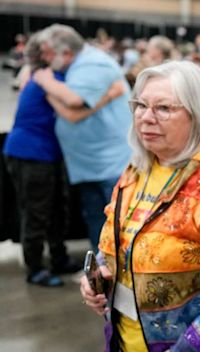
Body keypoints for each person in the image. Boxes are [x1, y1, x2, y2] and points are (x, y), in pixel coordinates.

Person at [79, 61, 200, 352]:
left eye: (163, 108)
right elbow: (116, 240)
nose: (146, 118)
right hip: (125, 339)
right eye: (140, 105)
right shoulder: (141, 166)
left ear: (198, 115)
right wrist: (98, 276)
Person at [3, 31, 123, 287]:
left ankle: (58, 259)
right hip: (31, 153)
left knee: (57, 210)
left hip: (47, 154)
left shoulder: (54, 77)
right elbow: (72, 111)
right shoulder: (45, 80)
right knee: (36, 212)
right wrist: (110, 95)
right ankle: (35, 267)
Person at [36, 24, 132, 253]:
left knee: (118, 222)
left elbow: (73, 104)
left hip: (110, 163)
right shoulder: (77, 65)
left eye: (48, 52)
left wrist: (45, 82)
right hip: (90, 163)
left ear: (66, 52)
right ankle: (100, 270)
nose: (44, 58)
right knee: (95, 218)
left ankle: (121, 274)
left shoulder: (93, 63)